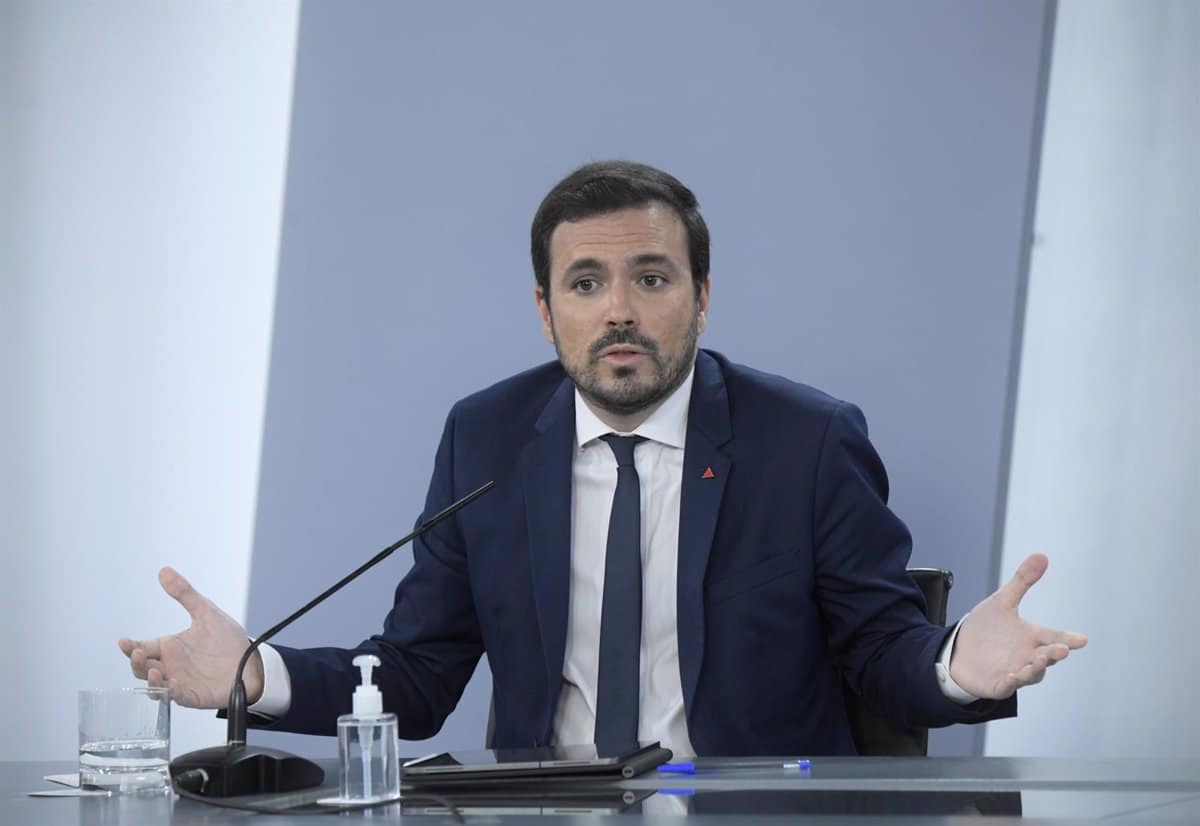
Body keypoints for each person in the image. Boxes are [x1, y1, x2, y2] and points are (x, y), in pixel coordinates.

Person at [120, 160, 1086, 756]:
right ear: (546, 312)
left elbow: (882, 655)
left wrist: (959, 666)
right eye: (585, 283)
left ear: (702, 297)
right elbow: (413, 681)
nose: (619, 309)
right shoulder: (487, 439)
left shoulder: (808, 441)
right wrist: (257, 674)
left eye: (651, 278)